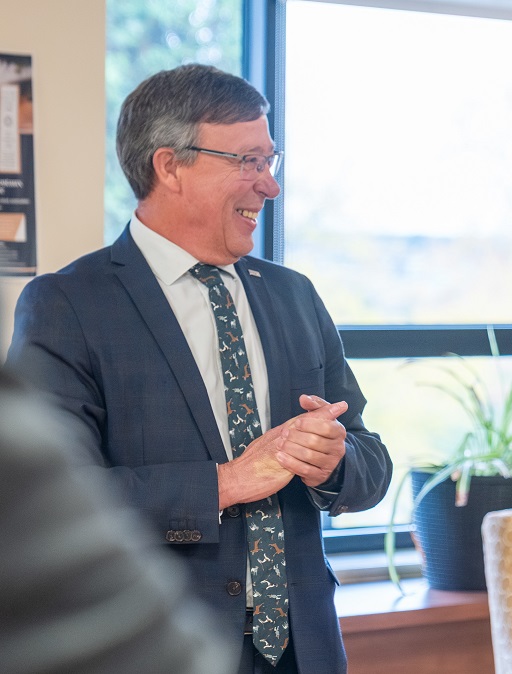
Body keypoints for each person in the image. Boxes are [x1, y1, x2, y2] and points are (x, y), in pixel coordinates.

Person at [7, 64, 393, 673]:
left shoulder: (295, 296)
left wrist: (336, 461)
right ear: (170, 166)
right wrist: (226, 482)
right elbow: (48, 506)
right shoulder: (67, 306)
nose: (269, 186)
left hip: (306, 652)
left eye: (272, 161)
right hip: (161, 650)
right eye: (247, 162)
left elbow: (371, 462)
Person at [0, 366, 234, 673]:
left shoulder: (306, 316)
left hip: (303, 639)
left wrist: (320, 471)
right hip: (172, 628)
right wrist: (225, 483)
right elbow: (87, 484)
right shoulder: (15, 433)